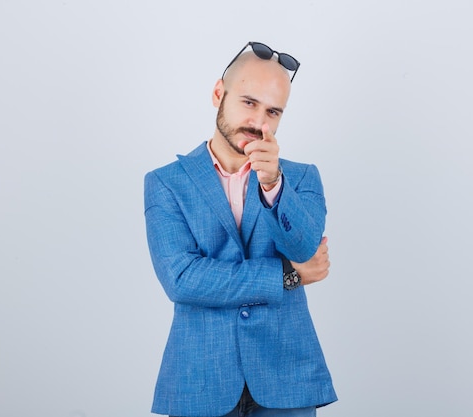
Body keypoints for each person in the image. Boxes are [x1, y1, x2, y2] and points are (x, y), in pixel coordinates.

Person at [144, 41, 337, 417]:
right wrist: (286, 277)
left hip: (288, 381)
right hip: (200, 382)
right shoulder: (165, 183)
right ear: (219, 93)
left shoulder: (300, 179)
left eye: (273, 112)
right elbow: (182, 279)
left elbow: (305, 249)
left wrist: (273, 185)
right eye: (248, 102)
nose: (259, 123)